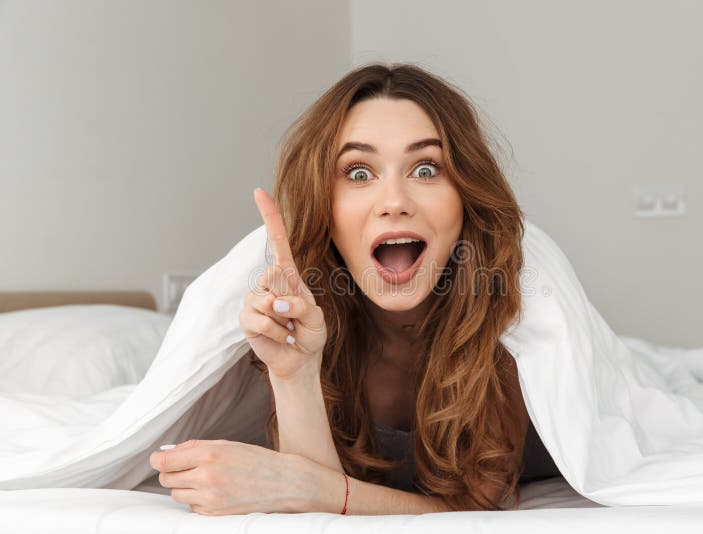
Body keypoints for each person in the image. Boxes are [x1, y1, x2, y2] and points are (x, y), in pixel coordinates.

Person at [151, 62, 561, 516]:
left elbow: (472, 510)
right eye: (359, 173)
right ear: (324, 207)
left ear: (466, 198)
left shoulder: (507, 319)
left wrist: (323, 492)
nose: (394, 203)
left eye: (426, 169)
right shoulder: (306, 312)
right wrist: (295, 373)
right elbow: (307, 499)